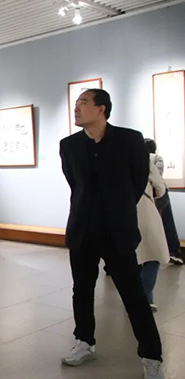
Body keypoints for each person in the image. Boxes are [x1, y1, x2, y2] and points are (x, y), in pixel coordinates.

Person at [59, 89, 164, 379]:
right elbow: (75, 183)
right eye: (76, 104)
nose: (76, 108)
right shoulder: (69, 145)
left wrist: (116, 211)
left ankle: (151, 356)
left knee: (133, 295)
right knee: (82, 290)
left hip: (118, 231)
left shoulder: (130, 140)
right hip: (82, 230)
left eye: (83, 103)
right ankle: (84, 341)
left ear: (101, 109)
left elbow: (136, 183)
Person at [136, 156, 170, 311]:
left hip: (120, 213)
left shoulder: (111, 158)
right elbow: (160, 187)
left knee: (132, 258)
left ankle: (134, 298)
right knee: (154, 255)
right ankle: (145, 298)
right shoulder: (144, 159)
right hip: (144, 210)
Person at [144, 138, 183, 265]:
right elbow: (158, 176)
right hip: (159, 193)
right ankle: (173, 251)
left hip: (144, 196)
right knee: (166, 221)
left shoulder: (137, 158)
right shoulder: (156, 158)